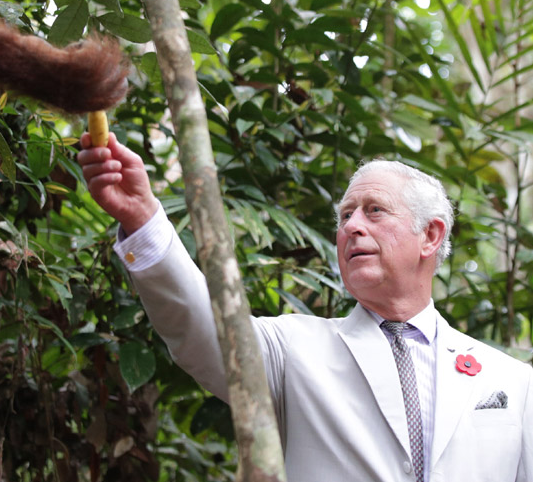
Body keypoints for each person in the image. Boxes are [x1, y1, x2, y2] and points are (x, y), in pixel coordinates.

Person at [78, 133, 533, 482]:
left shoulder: (513, 381)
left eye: (374, 211)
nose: (351, 226)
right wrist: (141, 219)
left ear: (430, 237)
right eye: (345, 216)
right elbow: (202, 329)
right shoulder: (292, 347)